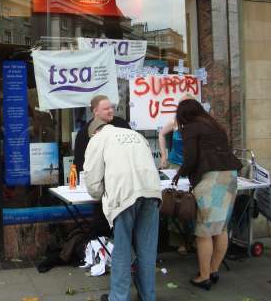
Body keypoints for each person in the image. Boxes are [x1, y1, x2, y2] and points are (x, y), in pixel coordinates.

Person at [84, 118, 162, 301]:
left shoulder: (98, 139)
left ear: (95, 132)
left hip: (124, 196)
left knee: (122, 250)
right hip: (151, 191)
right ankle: (147, 296)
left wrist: (100, 193)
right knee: (147, 250)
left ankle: (119, 297)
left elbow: (93, 182)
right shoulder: (136, 135)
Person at [172, 99, 242, 290]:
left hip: (211, 180)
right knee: (221, 228)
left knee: (204, 231)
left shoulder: (191, 129)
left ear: (183, 115)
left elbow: (191, 158)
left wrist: (180, 173)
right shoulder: (214, 125)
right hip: (230, 176)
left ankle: (204, 277)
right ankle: (213, 270)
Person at [158, 94, 195, 254]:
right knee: (175, 201)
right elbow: (161, 134)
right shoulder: (175, 122)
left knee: (192, 201)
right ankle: (178, 240)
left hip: (192, 166)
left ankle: (193, 238)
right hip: (175, 165)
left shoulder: (197, 123)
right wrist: (164, 156)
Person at [73, 95, 130, 172]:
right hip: (98, 175)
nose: (111, 111)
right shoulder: (84, 132)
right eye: (106, 109)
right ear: (95, 111)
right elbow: (79, 161)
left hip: (122, 172)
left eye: (111, 107)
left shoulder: (122, 124)